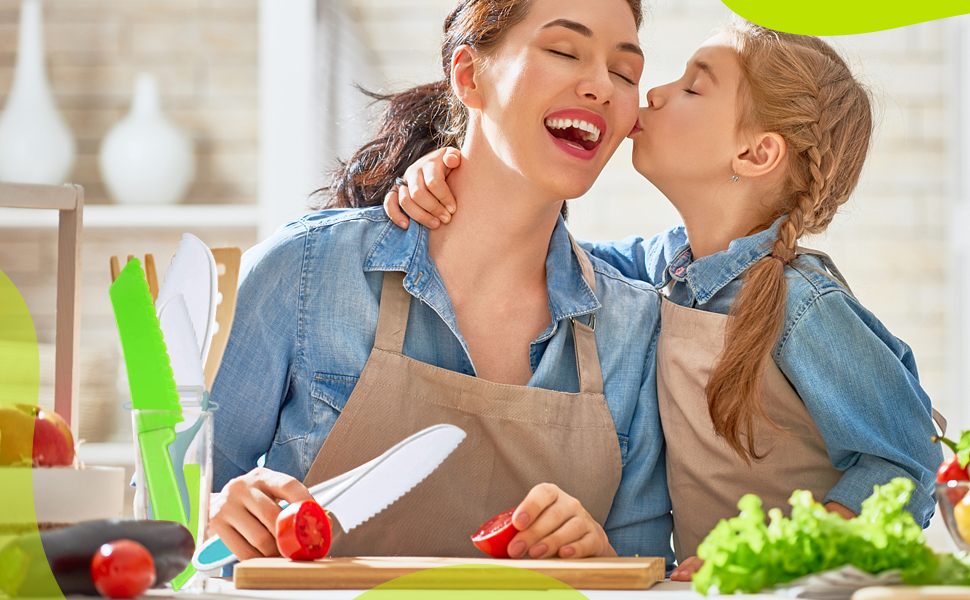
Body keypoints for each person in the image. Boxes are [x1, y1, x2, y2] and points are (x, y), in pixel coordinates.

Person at [384, 19, 944, 579]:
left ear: (755, 153)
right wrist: (454, 178)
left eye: (693, 87)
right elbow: (537, 250)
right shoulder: (671, 268)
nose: (652, 92)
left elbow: (908, 458)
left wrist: (787, 554)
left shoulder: (803, 306)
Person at [209, 0, 677, 567]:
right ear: (469, 75)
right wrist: (212, 511)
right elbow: (170, 518)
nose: (602, 86)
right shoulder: (304, 273)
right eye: (563, 50)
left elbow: (646, 576)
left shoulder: (635, 330)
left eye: (625, 72)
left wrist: (602, 557)